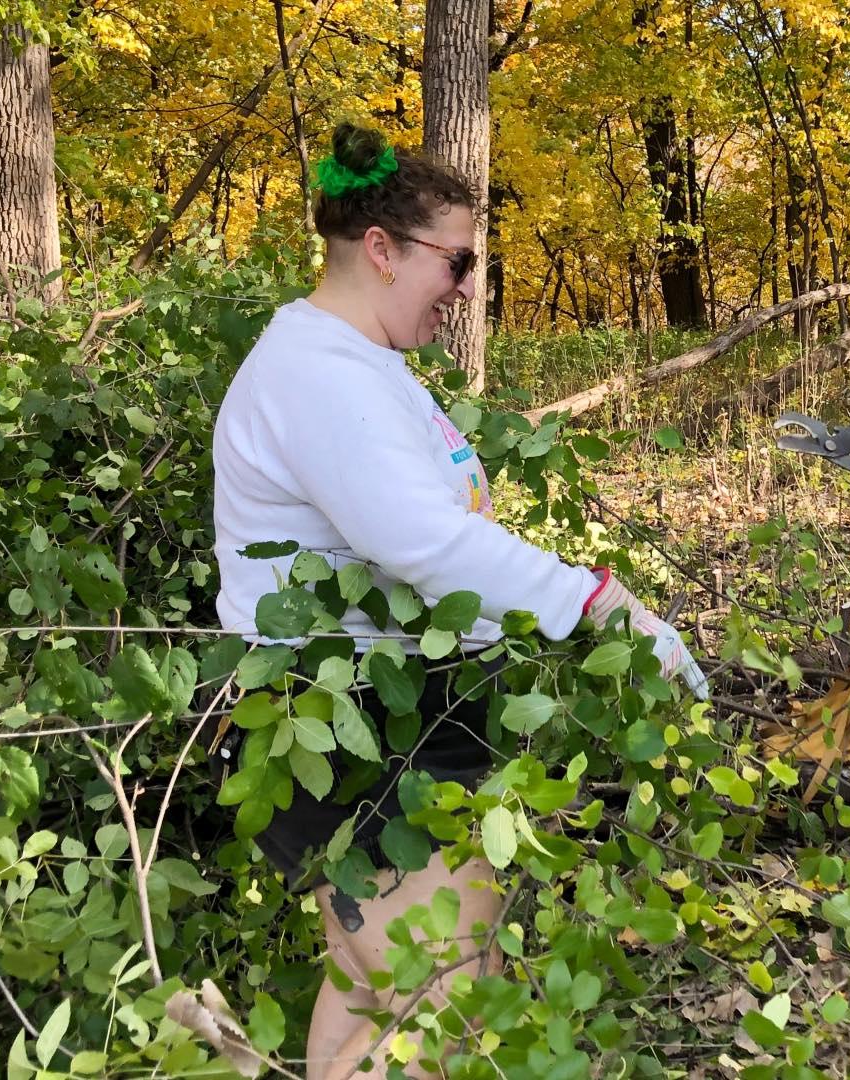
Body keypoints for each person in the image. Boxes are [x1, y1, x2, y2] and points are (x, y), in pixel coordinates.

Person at [209, 123, 708, 1079]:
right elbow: (422, 542)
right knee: (444, 1005)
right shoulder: (317, 371)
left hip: (396, 713)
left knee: (374, 994)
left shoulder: (362, 365)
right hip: (340, 725)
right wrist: (601, 604)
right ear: (383, 251)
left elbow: (431, 543)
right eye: (460, 259)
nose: (468, 286)